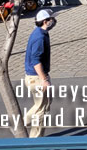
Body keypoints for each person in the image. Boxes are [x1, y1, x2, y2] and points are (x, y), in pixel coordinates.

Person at [24, 9, 56, 138]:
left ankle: (21, 123)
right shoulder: (40, 37)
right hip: (37, 78)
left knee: (43, 104)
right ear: (45, 21)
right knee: (42, 110)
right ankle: (35, 140)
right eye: (52, 19)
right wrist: (44, 79)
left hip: (35, 77)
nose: (54, 21)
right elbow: (36, 61)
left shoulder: (40, 32)